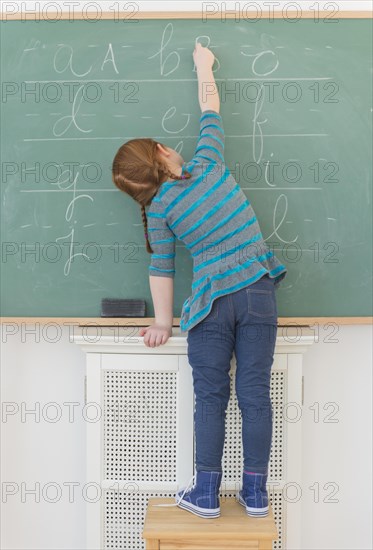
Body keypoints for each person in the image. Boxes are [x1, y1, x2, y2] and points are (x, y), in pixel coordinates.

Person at [112, 42, 287, 519]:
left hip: (210, 304)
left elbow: (161, 270)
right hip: (257, 290)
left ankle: (206, 493)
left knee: (210, 397)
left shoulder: (158, 213)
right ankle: (255, 493)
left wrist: (163, 324)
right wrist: (203, 65)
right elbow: (210, 106)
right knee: (254, 392)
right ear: (165, 154)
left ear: (138, 190)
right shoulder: (208, 163)